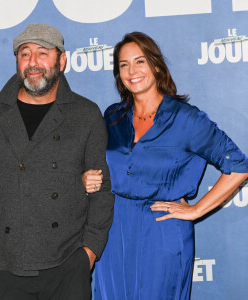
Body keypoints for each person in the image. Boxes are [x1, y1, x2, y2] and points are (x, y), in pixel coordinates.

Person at [82, 32, 248, 299]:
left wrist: (195, 210)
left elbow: (238, 166)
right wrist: (86, 178)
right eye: (124, 65)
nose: (132, 71)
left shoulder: (187, 119)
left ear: (156, 66)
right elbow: (99, 165)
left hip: (161, 230)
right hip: (112, 231)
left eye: (140, 62)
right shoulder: (113, 116)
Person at [0, 24, 114, 300]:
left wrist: (88, 253)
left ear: (61, 60)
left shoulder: (86, 115)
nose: (33, 63)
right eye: (25, 54)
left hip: (67, 266)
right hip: (2, 266)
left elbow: (102, 191)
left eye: (43, 53)